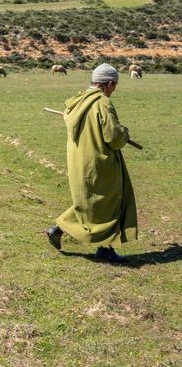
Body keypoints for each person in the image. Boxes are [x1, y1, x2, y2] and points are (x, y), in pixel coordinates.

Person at [47, 63, 137, 263]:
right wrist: (125, 132)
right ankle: (105, 250)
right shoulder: (102, 102)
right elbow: (113, 136)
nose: (114, 90)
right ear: (109, 83)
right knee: (110, 203)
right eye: (114, 86)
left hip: (79, 161)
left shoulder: (78, 100)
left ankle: (59, 229)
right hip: (99, 162)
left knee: (90, 202)